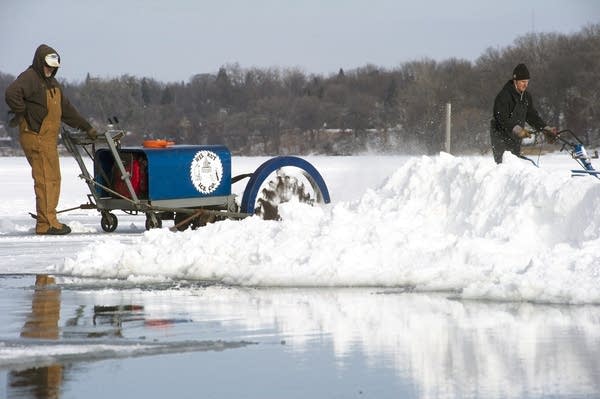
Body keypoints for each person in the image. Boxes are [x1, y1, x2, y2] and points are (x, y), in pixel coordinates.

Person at [5, 44, 97, 235]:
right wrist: (24, 115)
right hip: (36, 136)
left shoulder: (53, 84)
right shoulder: (30, 77)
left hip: (48, 139)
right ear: (40, 62)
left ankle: (49, 219)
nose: (50, 69)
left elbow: (67, 110)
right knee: (45, 179)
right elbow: (11, 93)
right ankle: (46, 224)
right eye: (47, 66)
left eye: (53, 67)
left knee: (54, 178)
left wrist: (86, 127)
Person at [490, 63, 557, 164]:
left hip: (515, 138)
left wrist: (545, 128)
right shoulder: (504, 96)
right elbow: (500, 117)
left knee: (514, 164)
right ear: (515, 81)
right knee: (504, 165)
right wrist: (517, 129)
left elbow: (531, 116)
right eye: (522, 81)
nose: (525, 85)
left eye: (527, 82)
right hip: (500, 137)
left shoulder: (526, 97)